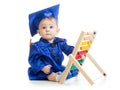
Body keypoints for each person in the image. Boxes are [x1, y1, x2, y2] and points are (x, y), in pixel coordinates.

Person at [28, 4, 78, 82]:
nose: (47, 30)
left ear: (57, 31)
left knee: (72, 70)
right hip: (46, 70)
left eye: (51, 27)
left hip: (57, 67)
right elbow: (33, 59)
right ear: (39, 32)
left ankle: (67, 74)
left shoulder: (60, 42)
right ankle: (54, 77)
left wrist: (76, 51)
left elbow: (68, 48)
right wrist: (42, 67)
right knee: (50, 74)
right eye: (44, 27)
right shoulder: (36, 46)